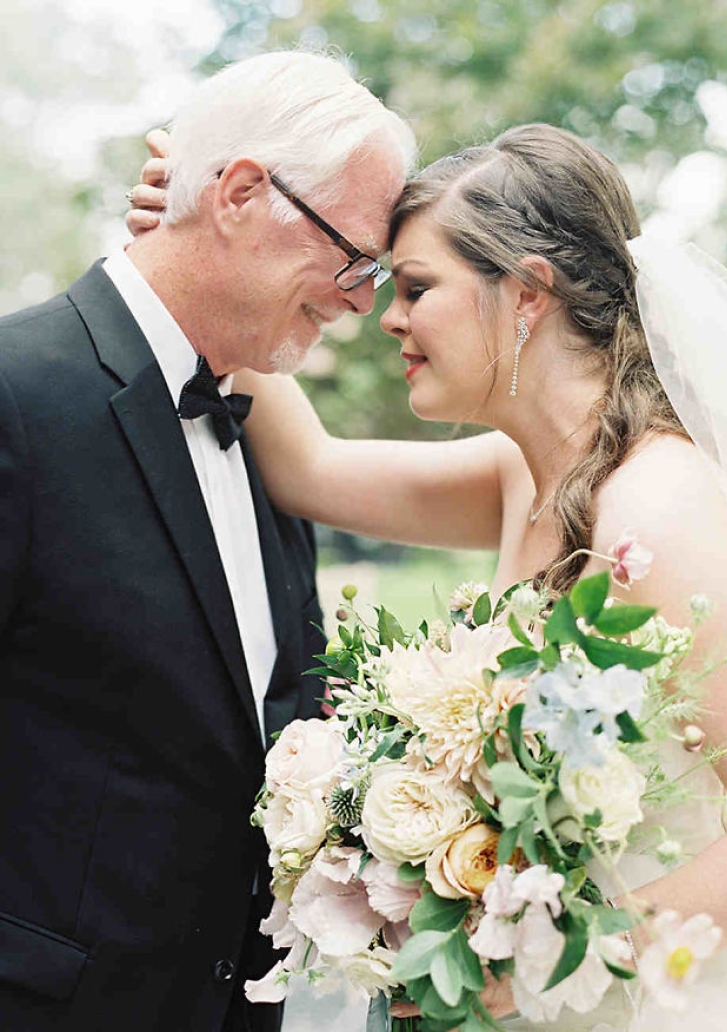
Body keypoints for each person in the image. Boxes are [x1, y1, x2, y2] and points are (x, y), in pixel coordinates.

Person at [129, 123, 727, 1030]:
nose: (389, 317)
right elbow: (312, 471)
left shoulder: (658, 505)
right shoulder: (520, 470)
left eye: (417, 288)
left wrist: (560, 956)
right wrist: (209, 259)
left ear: (527, 293)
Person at [0, 50, 415, 1032]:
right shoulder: (18, 397)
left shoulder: (267, 440)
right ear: (238, 194)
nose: (363, 301)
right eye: (355, 259)